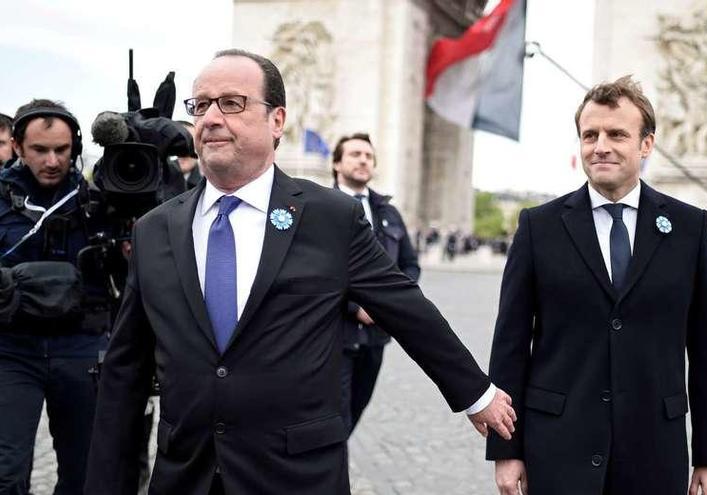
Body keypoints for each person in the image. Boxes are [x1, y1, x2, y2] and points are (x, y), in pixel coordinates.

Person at [85, 49, 516, 495]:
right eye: (200, 105)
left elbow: (405, 308)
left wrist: (476, 394)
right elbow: (125, 370)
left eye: (231, 103)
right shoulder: (156, 229)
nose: (210, 117)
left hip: (295, 475)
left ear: (277, 120)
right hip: (187, 474)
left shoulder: (331, 217)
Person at [486, 75, 707, 495]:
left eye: (617, 134)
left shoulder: (690, 228)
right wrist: (506, 449)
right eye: (590, 135)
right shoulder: (538, 227)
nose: (601, 145)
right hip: (557, 446)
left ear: (646, 144)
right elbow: (510, 346)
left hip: (655, 448)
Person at [0, 100, 111, 494]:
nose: (52, 160)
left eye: (62, 150)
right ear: (17, 146)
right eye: (39, 150)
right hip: (12, 351)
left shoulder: (100, 203)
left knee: (84, 475)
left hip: (81, 349)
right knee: (6, 473)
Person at [331, 132, 420, 433]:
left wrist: (388, 305)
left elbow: (409, 265)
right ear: (336, 163)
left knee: (355, 411)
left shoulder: (389, 213)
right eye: (355, 154)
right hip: (335, 334)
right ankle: (332, 478)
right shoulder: (320, 208)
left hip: (376, 335)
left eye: (368, 156)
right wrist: (356, 306)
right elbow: (314, 271)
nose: (363, 160)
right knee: (335, 416)